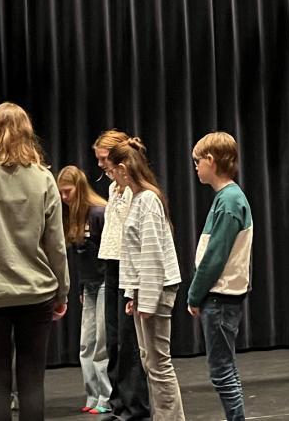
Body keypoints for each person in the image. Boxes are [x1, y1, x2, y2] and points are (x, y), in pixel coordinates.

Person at [0, 102, 69, 421]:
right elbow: (56, 244)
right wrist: (62, 291)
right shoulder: (43, 178)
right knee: (32, 382)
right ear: (28, 133)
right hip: (37, 293)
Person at [108, 137, 186, 421]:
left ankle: (171, 419)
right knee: (149, 361)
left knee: (159, 363)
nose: (111, 177)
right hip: (145, 291)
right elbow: (133, 255)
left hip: (158, 290)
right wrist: (132, 294)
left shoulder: (148, 200)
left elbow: (152, 254)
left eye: (111, 171)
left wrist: (148, 299)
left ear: (123, 169)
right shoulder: (139, 199)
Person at [186, 132, 254, 421]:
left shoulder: (228, 201)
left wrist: (194, 294)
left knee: (222, 371)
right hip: (221, 296)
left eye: (197, 161)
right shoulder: (226, 198)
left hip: (220, 297)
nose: (196, 167)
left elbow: (215, 258)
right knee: (226, 367)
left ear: (211, 161)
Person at [94, 129, 152, 421]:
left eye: (104, 158)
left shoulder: (134, 190)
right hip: (111, 266)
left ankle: (135, 408)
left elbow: (136, 238)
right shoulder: (113, 189)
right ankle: (117, 404)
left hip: (128, 267)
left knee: (129, 343)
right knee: (113, 340)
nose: (101, 165)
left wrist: (136, 283)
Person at [57, 165, 111, 415]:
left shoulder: (99, 212)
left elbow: (110, 254)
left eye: (67, 192)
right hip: (88, 286)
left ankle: (106, 396)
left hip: (103, 284)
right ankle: (92, 394)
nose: (64, 198)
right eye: (61, 193)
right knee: (85, 343)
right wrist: (79, 286)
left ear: (78, 188)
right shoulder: (72, 217)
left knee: (101, 342)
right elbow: (79, 258)